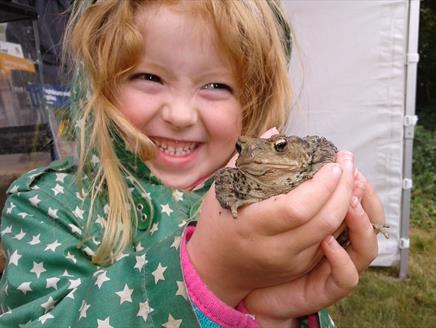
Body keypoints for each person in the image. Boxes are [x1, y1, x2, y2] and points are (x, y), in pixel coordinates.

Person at [0, 1, 384, 327]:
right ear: (101, 84)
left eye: (216, 85)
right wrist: (210, 273)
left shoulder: (274, 201)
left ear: (251, 102)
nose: (180, 114)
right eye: (149, 77)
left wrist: (278, 313)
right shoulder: (48, 204)